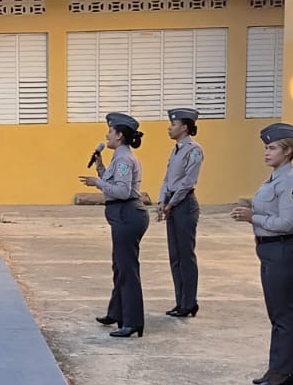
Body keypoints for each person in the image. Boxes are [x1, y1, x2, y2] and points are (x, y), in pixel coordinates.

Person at [233, 124, 293, 385]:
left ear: (288, 151)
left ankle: (285, 371)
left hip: (283, 249)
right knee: (276, 313)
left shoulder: (290, 181)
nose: (266, 152)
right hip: (270, 249)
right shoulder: (276, 178)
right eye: (266, 147)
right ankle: (277, 367)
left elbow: (287, 222)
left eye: (272, 147)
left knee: (284, 313)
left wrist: (253, 217)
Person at [81, 112, 148, 339]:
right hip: (122, 215)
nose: (107, 135)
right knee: (119, 266)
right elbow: (114, 183)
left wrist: (97, 182)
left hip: (128, 214)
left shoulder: (123, 159)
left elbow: (122, 191)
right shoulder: (118, 159)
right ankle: (116, 312)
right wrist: (100, 168)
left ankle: (132, 322)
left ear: (119, 135)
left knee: (127, 269)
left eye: (110, 131)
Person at [156, 106, 203, 318]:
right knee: (174, 256)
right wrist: (161, 200)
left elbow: (187, 182)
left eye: (173, 124)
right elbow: (168, 178)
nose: (169, 128)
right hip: (172, 204)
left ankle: (189, 302)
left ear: (184, 127)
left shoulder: (194, 150)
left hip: (184, 205)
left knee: (186, 255)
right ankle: (180, 301)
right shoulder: (175, 149)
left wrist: (171, 203)